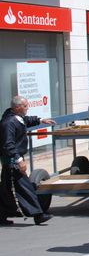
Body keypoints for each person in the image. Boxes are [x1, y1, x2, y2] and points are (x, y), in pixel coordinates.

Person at [0, 96, 55, 225]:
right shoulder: (9, 123)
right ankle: (38, 215)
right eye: (25, 106)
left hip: (12, 160)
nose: (27, 108)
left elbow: (25, 120)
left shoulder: (15, 118)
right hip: (12, 161)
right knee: (25, 188)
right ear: (17, 107)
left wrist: (41, 120)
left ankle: (2, 214)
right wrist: (19, 160)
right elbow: (8, 144)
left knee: (7, 190)